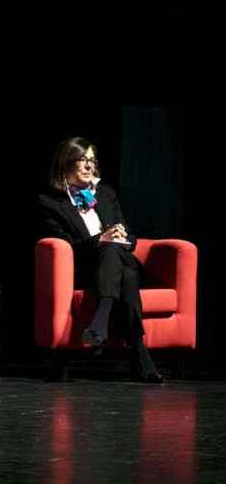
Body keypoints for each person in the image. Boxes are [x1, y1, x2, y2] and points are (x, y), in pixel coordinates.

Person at [37, 136, 163, 383]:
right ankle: (139, 353)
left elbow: (129, 234)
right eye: (82, 160)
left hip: (121, 259)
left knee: (115, 251)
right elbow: (66, 245)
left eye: (92, 161)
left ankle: (101, 320)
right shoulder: (50, 202)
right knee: (121, 269)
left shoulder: (105, 193)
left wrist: (123, 235)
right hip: (87, 267)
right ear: (65, 163)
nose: (89, 166)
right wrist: (100, 240)